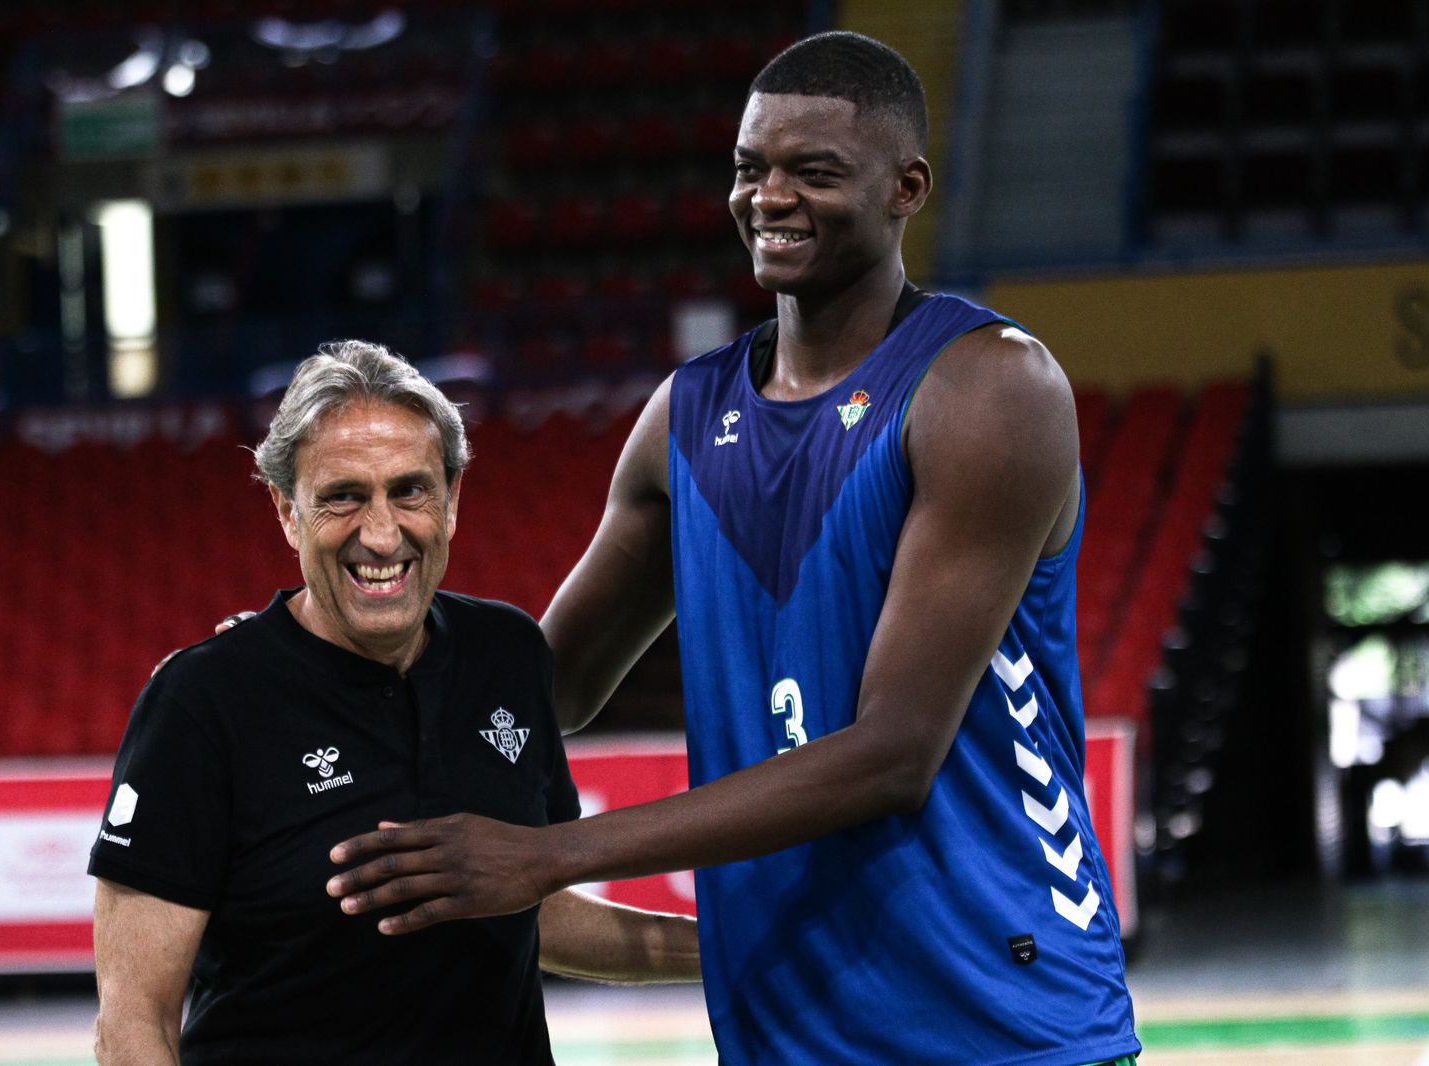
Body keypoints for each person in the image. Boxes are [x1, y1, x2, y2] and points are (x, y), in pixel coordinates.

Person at [321, 32, 1141, 1066]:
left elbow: (892, 753)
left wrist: (550, 855)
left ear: (907, 189)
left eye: (814, 171)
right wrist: (325, 664)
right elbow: (545, 688)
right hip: (782, 1023)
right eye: (751, 168)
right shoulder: (687, 413)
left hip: (999, 1014)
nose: (770, 197)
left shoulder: (988, 388)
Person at [88, 340, 698, 1066]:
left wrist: (727, 952)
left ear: (452, 500)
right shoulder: (201, 702)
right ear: (287, 511)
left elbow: (536, 911)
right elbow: (132, 1027)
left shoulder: (508, 653)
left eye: (409, 491)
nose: (381, 534)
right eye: (343, 497)